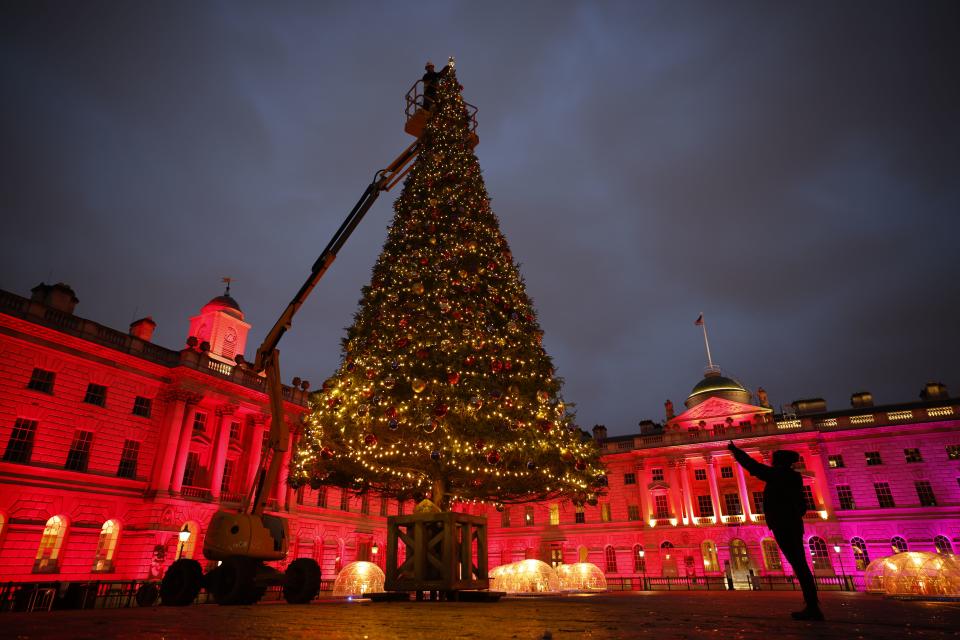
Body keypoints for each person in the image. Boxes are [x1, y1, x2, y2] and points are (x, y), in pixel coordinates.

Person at [727, 440, 824, 621]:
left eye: (774, 460)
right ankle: (812, 605)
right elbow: (802, 505)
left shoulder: (779, 475)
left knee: (799, 565)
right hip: (793, 523)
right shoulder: (794, 477)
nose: (771, 462)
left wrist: (735, 451)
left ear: (779, 462)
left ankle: (812, 607)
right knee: (800, 564)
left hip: (783, 524)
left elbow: (754, 467)